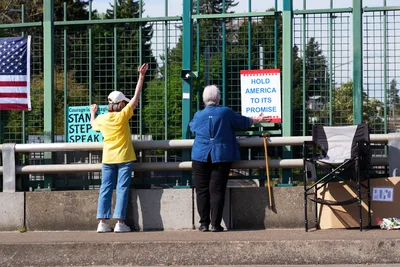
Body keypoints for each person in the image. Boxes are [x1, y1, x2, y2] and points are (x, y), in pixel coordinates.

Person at [189, 85, 270, 232]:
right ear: (218, 98)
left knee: (201, 190)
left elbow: (192, 127)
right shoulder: (225, 112)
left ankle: (203, 224)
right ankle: (215, 224)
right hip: (221, 155)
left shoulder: (198, 115)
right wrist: (257, 119)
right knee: (217, 190)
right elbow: (243, 122)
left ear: (204, 98)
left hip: (200, 155)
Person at [90, 63, 149, 233]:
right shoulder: (123, 116)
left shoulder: (102, 118)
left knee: (105, 188)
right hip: (124, 158)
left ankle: (102, 221)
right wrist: (141, 76)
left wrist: (92, 112)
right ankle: (119, 223)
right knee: (122, 189)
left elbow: (93, 124)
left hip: (108, 158)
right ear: (122, 104)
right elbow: (136, 97)